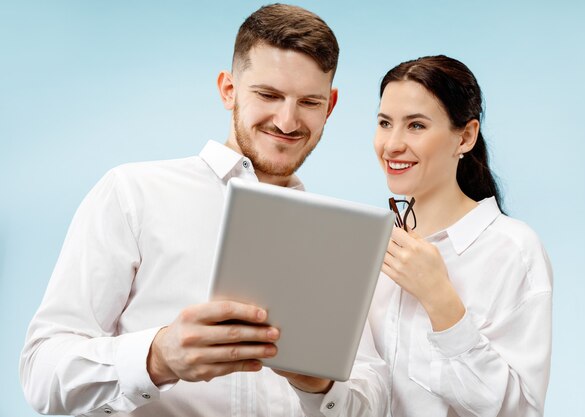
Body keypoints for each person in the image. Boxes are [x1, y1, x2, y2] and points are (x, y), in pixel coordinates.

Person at [19, 4, 387, 416]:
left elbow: (371, 397)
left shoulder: (342, 238)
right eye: (268, 95)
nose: (287, 120)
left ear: (330, 106)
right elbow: (41, 372)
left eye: (309, 102)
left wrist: (320, 386)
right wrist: (157, 357)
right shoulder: (132, 194)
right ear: (228, 89)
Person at [365, 55, 553, 416]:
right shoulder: (370, 244)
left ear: (465, 136)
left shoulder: (513, 250)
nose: (392, 144)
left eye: (416, 126)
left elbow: (520, 411)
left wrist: (439, 298)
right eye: (385, 123)